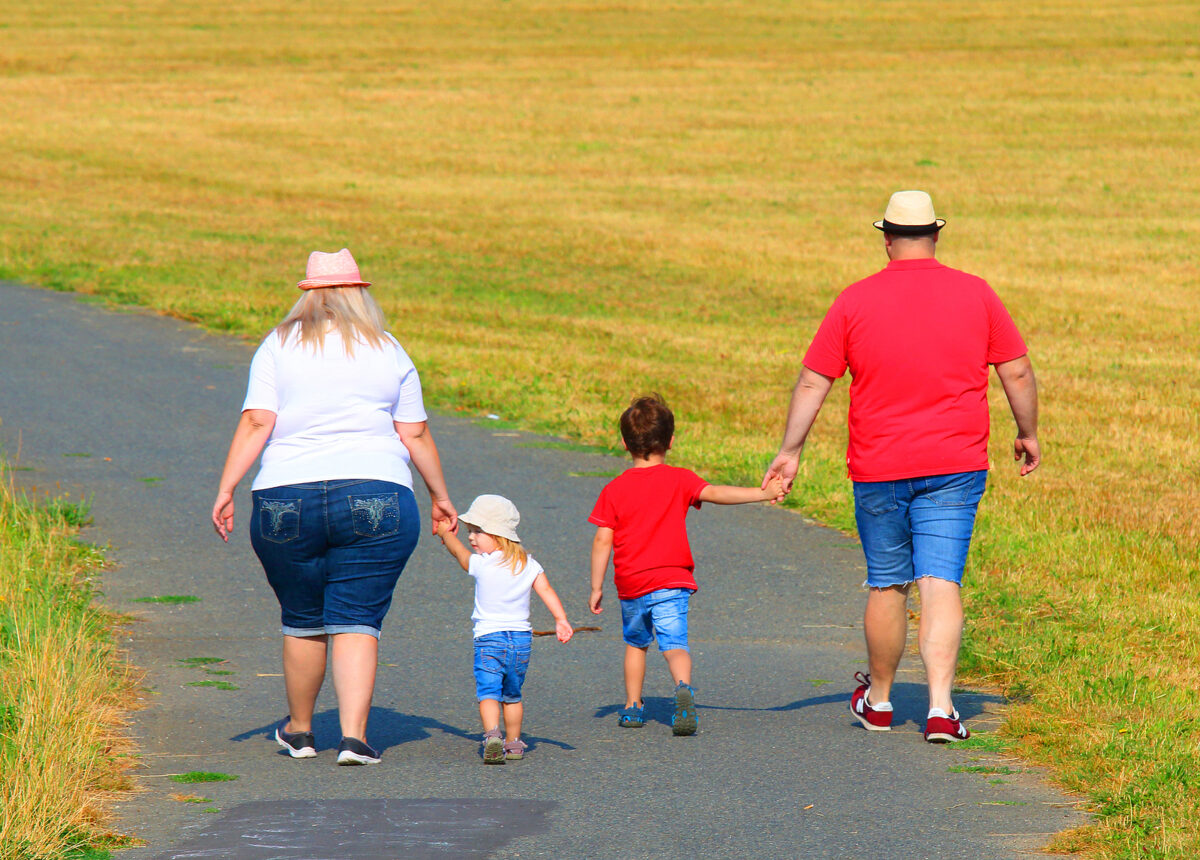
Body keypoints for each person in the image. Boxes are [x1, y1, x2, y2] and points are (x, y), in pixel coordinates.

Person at [763, 191, 1040, 743]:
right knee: (941, 580)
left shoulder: (855, 300)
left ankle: (882, 701)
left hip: (878, 465)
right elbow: (1018, 372)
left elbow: (815, 380)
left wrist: (791, 450)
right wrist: (1027, 432)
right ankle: (941, 709)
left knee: (888, 584)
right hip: (955, 464)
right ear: (935, 236)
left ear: (886, 238)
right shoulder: (976, 293)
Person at [211, 248, 457, 765]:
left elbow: (258, 422)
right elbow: (413, 433)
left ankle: (300, 732)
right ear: (358, 292)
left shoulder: (277, 346)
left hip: (285, 496)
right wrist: (440, 497)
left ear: (308, 293)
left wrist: (227, 487)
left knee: (302, 617)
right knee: (357, 617)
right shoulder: (388, 349)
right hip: (378, 490)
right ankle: (354, 739)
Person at [589, 394, 787, 736]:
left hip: (632, 584)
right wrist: (763, 493)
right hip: (671, 580)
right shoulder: (680, 479)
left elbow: (602, 540)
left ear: (624, 443)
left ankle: (633, 706)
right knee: (675, 645)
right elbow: (717, 493)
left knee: (636, 644)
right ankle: (682, 687)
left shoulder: (614, 489)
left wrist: (596, 586)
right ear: (671, 441)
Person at [435, 494, 573, 764]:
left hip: (489, 640)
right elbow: (545, 589)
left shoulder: (483, 564)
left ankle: (492, 735)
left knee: (488, 692)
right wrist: (561, 619)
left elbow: (459, 554)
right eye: (469, 532)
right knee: (512, 695)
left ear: (497, 535)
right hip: (521, 641)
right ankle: (513, 742)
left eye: (477, 531)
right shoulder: (527, 563)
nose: (471, 538)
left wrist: (445, 534)